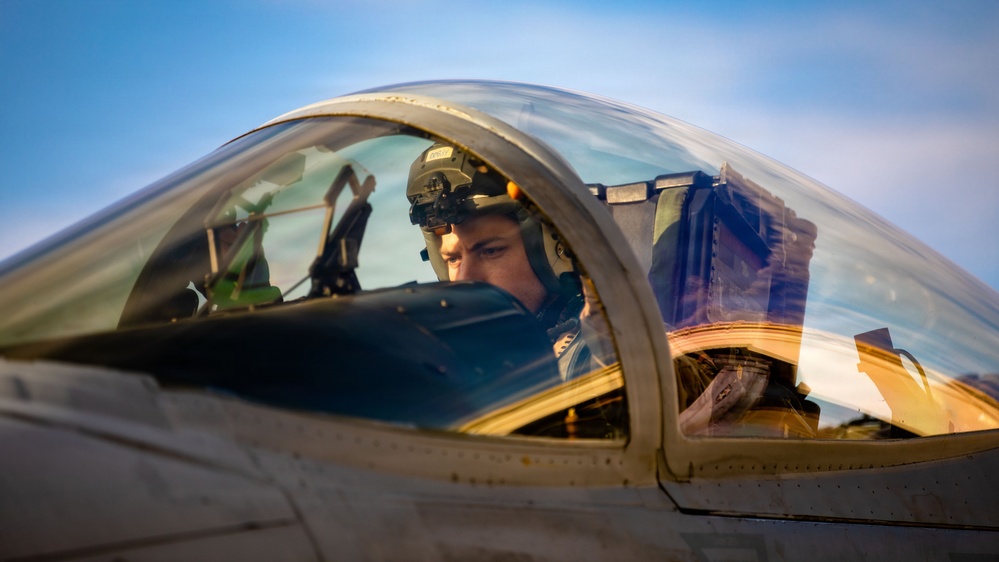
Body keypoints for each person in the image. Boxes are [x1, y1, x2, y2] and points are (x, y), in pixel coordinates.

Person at [406, 142, 614, 379]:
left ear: (556, 250)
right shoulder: (443, 364)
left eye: (491, 252)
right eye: (453, 259)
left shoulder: (606, 347)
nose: (465, 279)